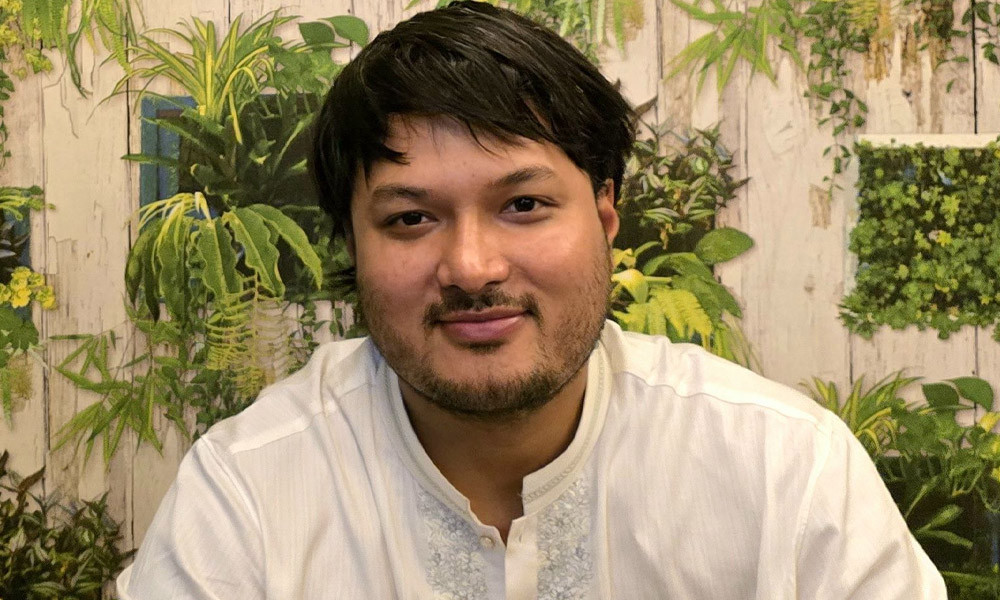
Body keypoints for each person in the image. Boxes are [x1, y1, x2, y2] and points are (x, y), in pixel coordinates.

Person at [116, 2, 946, 598]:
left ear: (606, 215)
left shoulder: (785, 472)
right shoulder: (249, 494)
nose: (471, 268)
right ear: (352, 245)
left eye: (524, 204)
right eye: (410, 219)